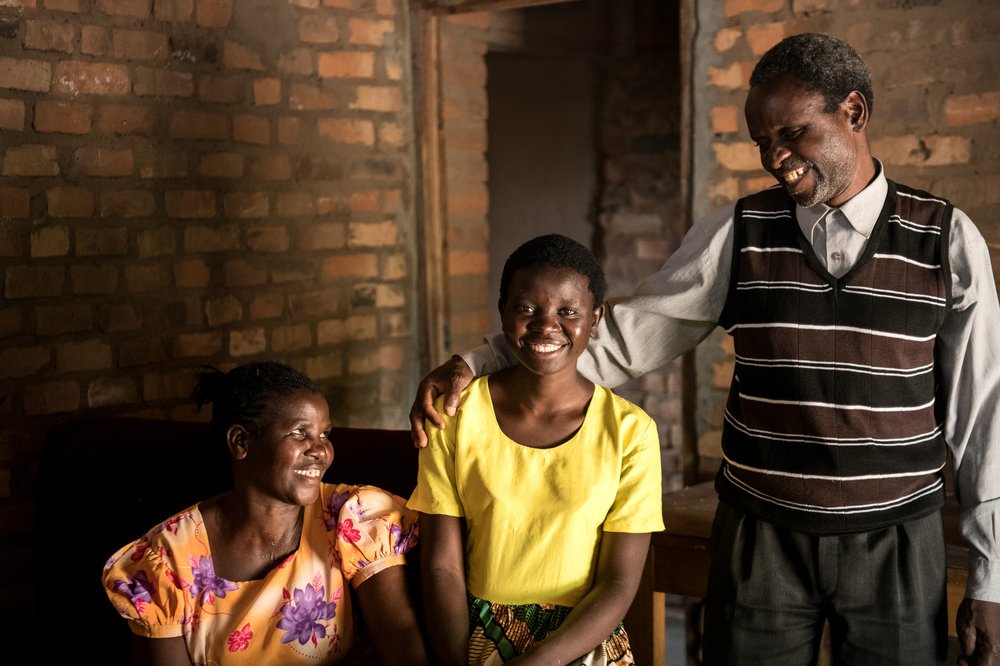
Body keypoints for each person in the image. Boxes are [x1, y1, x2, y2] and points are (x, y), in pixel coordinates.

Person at [409, 33, 1000, 665]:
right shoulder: (739, 233)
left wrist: (992, 576)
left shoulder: (944, 239)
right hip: (761, 537)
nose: (775, 158)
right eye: (761, 141)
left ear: (853, 112)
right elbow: (617, 340)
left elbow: (982, 414)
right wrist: (474, 364)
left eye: (792, 134)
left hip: (898, 539)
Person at [407, 234, 664, 665]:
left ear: (595, 318)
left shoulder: (631, 433)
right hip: (474, 635)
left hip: (583, 644)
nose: (546, 326)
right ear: (503, 312)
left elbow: (617, 584)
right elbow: (442, 567)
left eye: (568, 311)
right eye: (527, 309)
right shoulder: (455, 415)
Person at [103, 362, 430, 666]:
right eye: (300, 433)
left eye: (325, 434)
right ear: (241, 442)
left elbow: (399, 635)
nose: (320, 450)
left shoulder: (349, 518)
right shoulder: (168, 559)